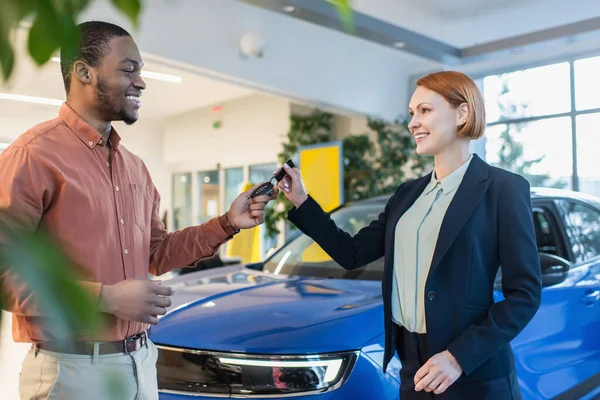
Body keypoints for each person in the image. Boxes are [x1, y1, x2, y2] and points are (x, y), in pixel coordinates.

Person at [0, 21, 275, 400]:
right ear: (83, 71)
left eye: (141, 71)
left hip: (142, 362)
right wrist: (105, 298)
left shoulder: (135, 168)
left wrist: (227, 223)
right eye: (129, 69)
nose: (142, 82)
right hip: (71, 372)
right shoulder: (33, 157)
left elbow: (157, 253)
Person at [276, 71, 542, 399]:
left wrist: (459, 357)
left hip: (474, 371)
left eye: (424, 111)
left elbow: (524, 295)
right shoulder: (407, 194)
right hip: (412, 367)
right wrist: (302, 201)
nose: (412, 122)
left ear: (462, 113)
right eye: (411, 113)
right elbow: (352, 253)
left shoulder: (504, 189)